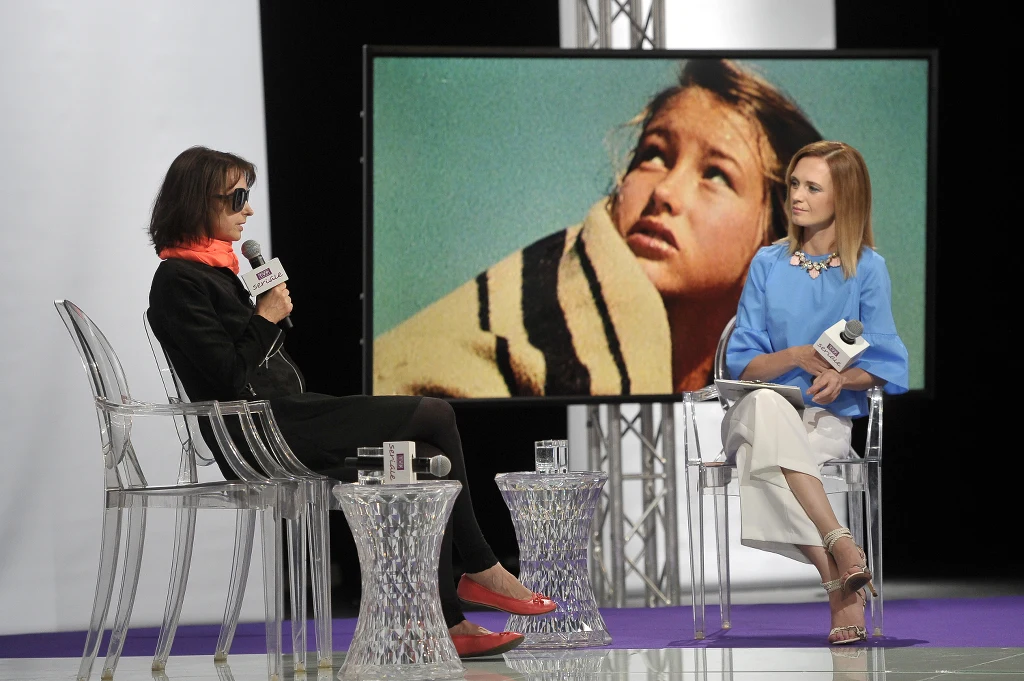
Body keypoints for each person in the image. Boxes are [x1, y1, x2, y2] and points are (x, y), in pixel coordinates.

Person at [145, 146, 557, 659]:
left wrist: (262, 315)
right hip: (259, 433)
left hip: (284, 417)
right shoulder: (177, 281)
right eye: (237, 197)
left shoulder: (216, 270)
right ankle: (481, 566)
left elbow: (245, 364)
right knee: (436, 412)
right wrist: (265, 317)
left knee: (426, 467)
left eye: (247, 196)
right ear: (195, 200)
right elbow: (229, 378)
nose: (248, 209)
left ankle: (447, 623)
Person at [373, 58, 822, 397]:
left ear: (776, 234)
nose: (664, 191)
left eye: (716, 174)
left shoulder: (791, 405)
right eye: (653, 154)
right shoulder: (478, 359)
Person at [722, 140, 909, 644]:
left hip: (823, 418)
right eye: (793, 185)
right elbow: (743, 362)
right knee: (764, 404)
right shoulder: (767, 263)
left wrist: (842, 378)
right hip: (755, 408)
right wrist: (798, 358)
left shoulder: (868, 269)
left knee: (769, 466)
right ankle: (842, 549)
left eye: (811, 187)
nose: (796, 197)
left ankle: (835, 581)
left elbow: (886, 359)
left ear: (843, 197)